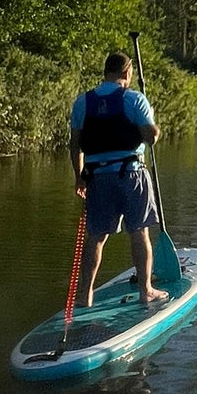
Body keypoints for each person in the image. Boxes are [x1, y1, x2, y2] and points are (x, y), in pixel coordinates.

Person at [69, 51, 169, 308]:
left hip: (97, 178)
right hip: (131, 174)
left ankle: (84, 296)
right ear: (127, 73)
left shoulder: (83, 102)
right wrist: (154, 127)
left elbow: (75, 145)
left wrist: (79, 178)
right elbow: (150, 136)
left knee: (96, 236)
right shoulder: (134, 99)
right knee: (139, 231)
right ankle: (145, 290)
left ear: (106, 72)